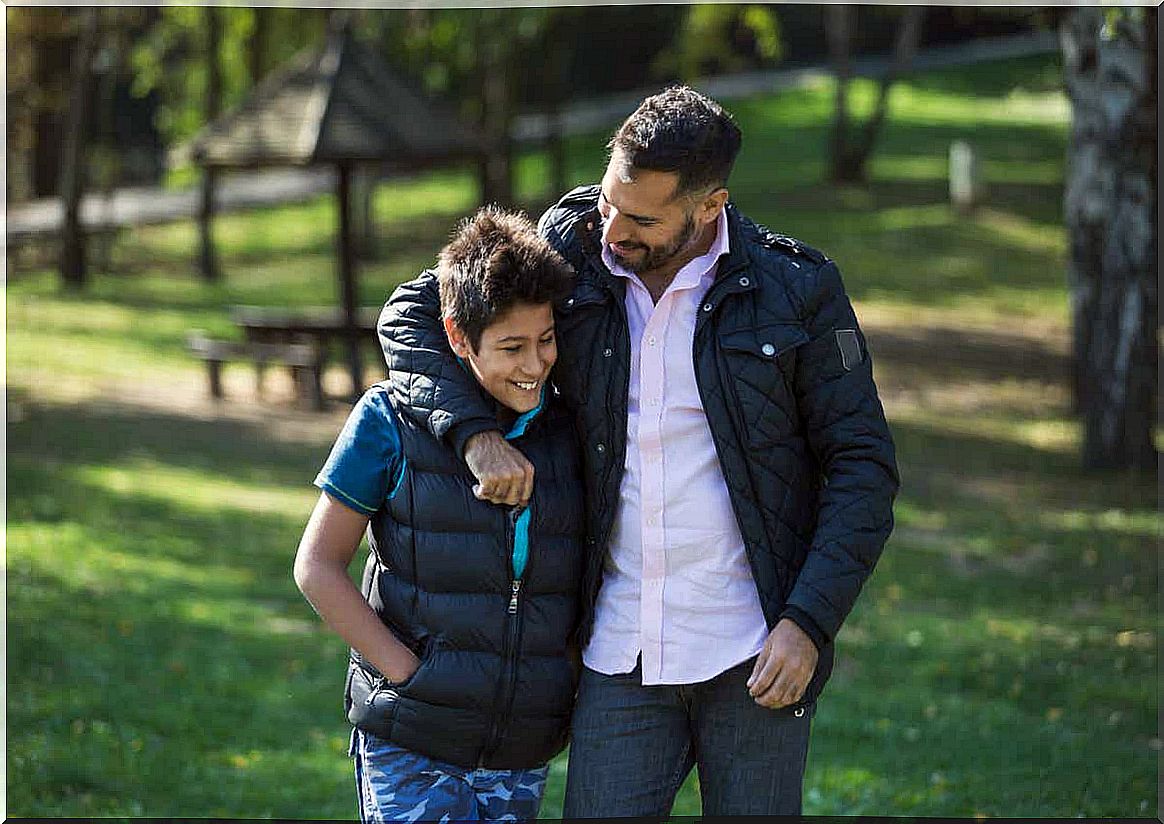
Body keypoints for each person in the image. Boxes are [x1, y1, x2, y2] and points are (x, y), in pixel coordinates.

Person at [378, 86, 900, 817]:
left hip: (756, 652)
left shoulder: (797, 289)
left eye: (642, 217)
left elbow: (862, 467)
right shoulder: (572, 243)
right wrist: (476, 432)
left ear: (709, 206)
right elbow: (414, 312)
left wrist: (810, 620)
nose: (614, 228)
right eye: (611, 204)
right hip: (616, 654)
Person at [294, 206, 583, 822]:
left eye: (546, 340)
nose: (534, 366)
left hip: (519, 751)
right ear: (456, 337)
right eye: (511, 347)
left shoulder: (567, 432)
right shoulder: (386, 419)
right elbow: (317, 565)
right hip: (412, 742)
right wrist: (406, 673)